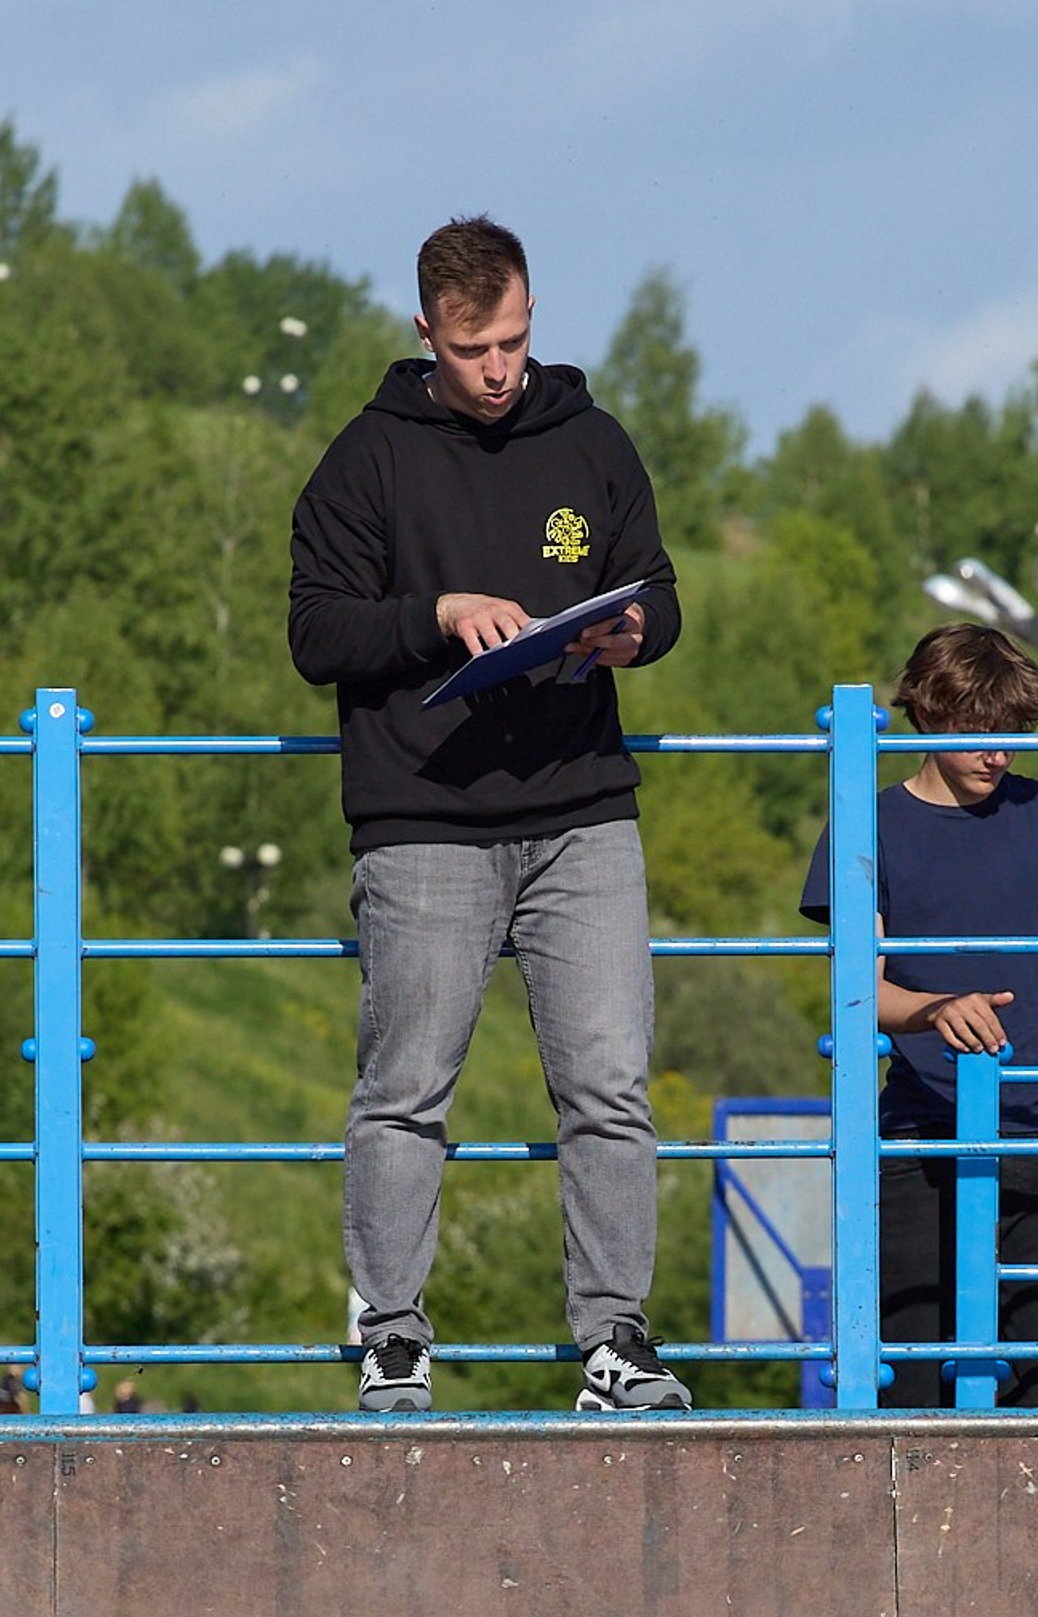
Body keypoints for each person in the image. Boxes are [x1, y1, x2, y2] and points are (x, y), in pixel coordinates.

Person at [289, 214, 686, 1418]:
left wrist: (633, 632)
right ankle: (392, 1337)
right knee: (406, 1090)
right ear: (427, 332)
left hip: (584, 812)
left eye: (513, 340)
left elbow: (660, 593)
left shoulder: (592, 439)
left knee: (611, 1087)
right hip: (422, 820)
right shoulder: (365, 459)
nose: (500, 368)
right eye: (473, 350)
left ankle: (614, 1339)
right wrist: (437, 613)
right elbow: (316, 632)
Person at [799, 624, 1038, 1410]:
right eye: (979, 730)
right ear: (929, 713)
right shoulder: (866, 825)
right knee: (910, 1387)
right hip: (916, 1138)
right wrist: (933, 1010)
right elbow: (857, 989)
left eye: (1013, 733)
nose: (998, 753)